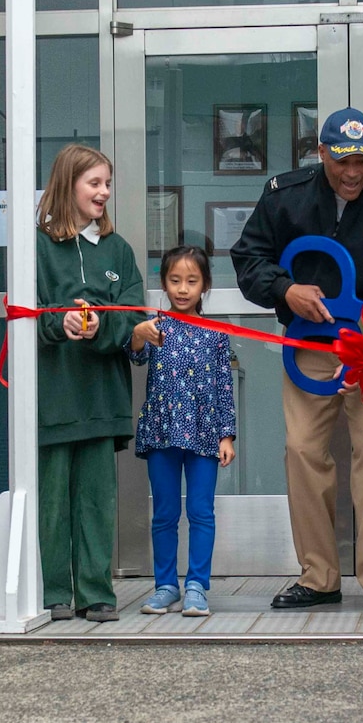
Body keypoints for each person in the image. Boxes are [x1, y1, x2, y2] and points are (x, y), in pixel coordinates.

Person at [231, 107, 363, 615]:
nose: (351, 173)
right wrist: (286, 289)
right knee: (302, 450)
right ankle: (318, 575)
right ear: (320, 153)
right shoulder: (285, 196)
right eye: (341, 161)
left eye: (362, 162)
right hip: (310, 345)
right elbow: (248, 258)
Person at [36, 144, 144, 623]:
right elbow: (28, 313)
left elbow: (134, 315)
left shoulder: (118, 250)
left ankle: (97, 591)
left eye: (106, 184)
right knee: (53, 500)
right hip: (55, 396)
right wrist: (60, 325)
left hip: (102, 396)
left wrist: (106, 328)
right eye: (94, 183)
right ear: (68, 185)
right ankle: (55, 591)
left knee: (98, 500)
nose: (103, 193)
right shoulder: (37, 246)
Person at [127, 246, 236, 616]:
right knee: (165, 513)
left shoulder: (216, 334)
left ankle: (196, 586)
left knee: (202, 511)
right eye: (175, 281)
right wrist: (139, 333)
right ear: (164, 283)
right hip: (162, 430)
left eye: (192, 281)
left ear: (204, 285)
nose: (183, 289)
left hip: (205, 433)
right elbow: (136, 353)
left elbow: (224, 385)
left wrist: (226, 435)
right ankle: (165, 586)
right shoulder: (156, 325)